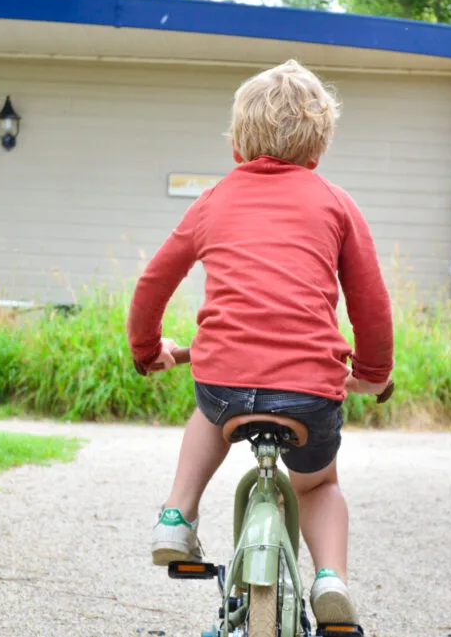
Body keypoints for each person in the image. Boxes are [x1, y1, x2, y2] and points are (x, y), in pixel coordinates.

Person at [127, 59, 393, 625]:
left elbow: (153, 283)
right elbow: (371, 303)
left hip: (222, 384)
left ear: (238, 143)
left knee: (207, 413)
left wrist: (150, 351)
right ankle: (329, 580)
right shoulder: (336, 204)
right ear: (318, 145)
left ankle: (176, 516)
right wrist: (372, 372)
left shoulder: (213, 200)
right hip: (308, 394)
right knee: (319, 483)